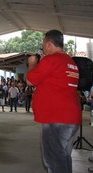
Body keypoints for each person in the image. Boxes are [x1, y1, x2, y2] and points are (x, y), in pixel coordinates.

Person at [27, 29, 81, 173]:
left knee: (53, 162)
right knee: (63, 158)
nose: (43, 48)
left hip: (56, 119)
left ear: (49, 44)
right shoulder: (70, 62)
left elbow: (30, 80)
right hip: (70, 118)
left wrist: (32, 63)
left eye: (43, 45)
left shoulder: (52, 60)